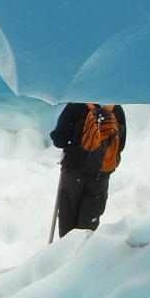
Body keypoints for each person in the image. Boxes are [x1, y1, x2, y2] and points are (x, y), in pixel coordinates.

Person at [49, 102, 127, 238]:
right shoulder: (115, 108)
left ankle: (66, 247)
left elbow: (60, 139)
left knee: (69, 213)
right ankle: (83, 246)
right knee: (90, 218)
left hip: (74, 171)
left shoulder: (76, 104)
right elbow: (121, 145)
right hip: (101, 173)